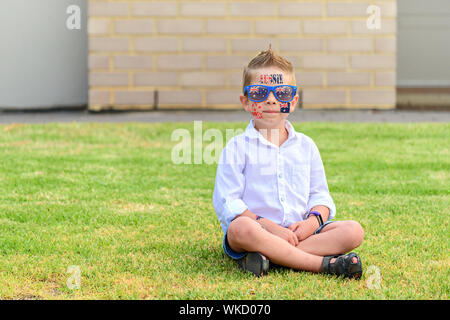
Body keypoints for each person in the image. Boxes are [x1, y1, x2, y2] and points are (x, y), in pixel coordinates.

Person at [212, 47, 364, 279]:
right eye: (260, 92)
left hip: (300, 232)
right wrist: (270, 229)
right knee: (239, 229)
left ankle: (266, 258)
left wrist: (311, 224)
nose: (271, 100)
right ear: (246, 101)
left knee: (353, 231)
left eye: (281, 93)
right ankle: (323, 265)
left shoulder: (306, 146)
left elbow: (321, 197)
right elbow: (228, 204)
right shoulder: (236, 147)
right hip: (257, 231)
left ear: (292, 102)